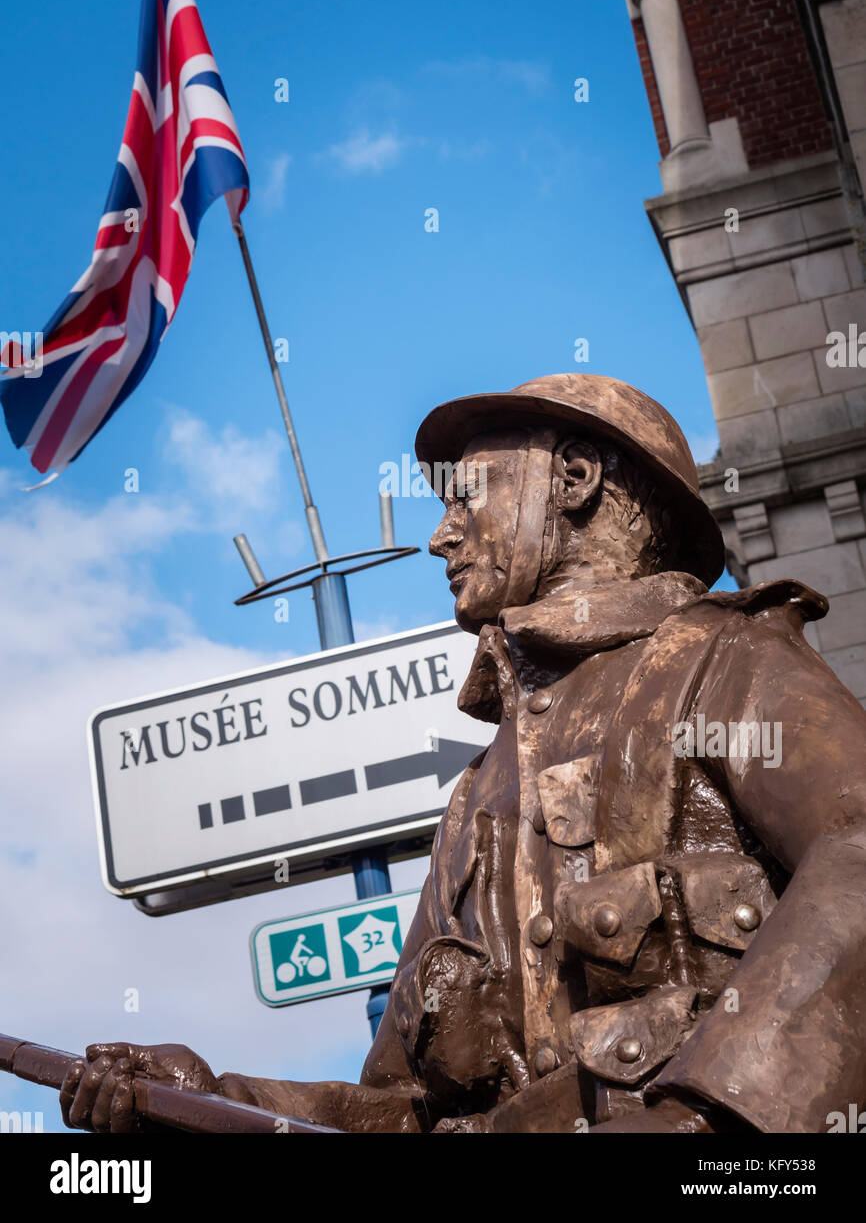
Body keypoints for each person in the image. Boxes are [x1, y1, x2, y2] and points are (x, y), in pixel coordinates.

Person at [61, 374, 866, 1134]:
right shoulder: (476, 796)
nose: (442, 536)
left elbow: (856, 844)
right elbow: (399, 1107)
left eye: (465, 498)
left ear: (575, 477)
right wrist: (208, 1100)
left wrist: (712, 1113)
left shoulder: (723, 658)